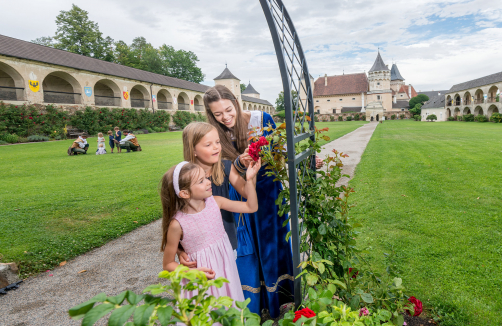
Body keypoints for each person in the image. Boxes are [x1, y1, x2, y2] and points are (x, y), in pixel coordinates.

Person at [203, 84, 294, 317]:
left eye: (228, 109)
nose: (225, 117)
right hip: (241, 193)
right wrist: (239, 164)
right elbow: (221, 169)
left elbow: (281, 155)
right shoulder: (216, 133)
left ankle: (280, 297)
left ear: (235, 101)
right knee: (250, 246)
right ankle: (257, 303)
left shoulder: (262, 119)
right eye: (218, 114)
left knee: (273, 240)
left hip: (269, 190)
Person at [160, 159, 261, 302]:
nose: (208, 182)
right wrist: (191, 272)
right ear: (184, 193)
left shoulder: (216, 202)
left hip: (225, 269)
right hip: (202, 279)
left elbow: (251, 207)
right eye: (201, 181)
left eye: (206, 178)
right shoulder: (177, 224)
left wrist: (249, 180)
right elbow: (168, 263)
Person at [179, 122, 254, 259]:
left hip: (226, 241)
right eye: (208, 145)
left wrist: (251, 174)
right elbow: (176, 217)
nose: (216, 148)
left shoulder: (225, 167)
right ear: (193, 150)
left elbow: (247, 193)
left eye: (218, 142)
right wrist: (179, 251)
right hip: (198, 247)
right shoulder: (183, 176)